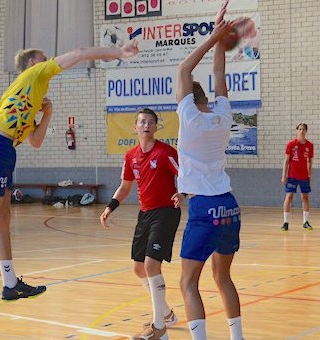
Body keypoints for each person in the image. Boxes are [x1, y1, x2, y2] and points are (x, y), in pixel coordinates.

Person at [0, 41, 139, 301]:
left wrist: (47, 114)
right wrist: (117, 53)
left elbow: (35, 142)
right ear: (34, 64)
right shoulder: (33, 75)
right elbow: (78, 53)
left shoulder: (32, 96)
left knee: (2, 222)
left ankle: (10, 284)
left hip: (5, 149)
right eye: (44, 58)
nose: (50, 62)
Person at [174, 5, 244, 339]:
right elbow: (219, 74)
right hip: (229, 206)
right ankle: (237, 337)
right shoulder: (223, 117)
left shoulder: (188, 119)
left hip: (204, 207)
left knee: (188, 282)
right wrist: (218, 41)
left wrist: (213, 36)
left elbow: (184, 68)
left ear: (188, 98)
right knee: (223, 278)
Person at [100, 108, 182, 339]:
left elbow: (184, 174)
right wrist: (110, 207)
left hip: (166, 212)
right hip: (144, 214)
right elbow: (125, 187)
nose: (146, 125)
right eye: (142, 122)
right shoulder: (130, 156)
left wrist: (183, 193)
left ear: (156, 127)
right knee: (138, 268)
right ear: (135, 127)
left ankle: (159, 329)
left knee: (151, 265)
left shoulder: (166, 152)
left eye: (150, 122)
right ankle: (166, 313)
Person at [281, 123, 314, 231]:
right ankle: (286, 222)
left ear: (306, 131)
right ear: (297, 130)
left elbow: (309, 161)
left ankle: (306, 221)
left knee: (305, 197)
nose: (301, 131)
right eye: (300, 129)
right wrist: (284, 175)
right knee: (289, 196)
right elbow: (286, 161)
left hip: (304, 175)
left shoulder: (309, 145)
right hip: (292, 175)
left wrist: (310, 173)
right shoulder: (291, 144)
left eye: (303, 129)